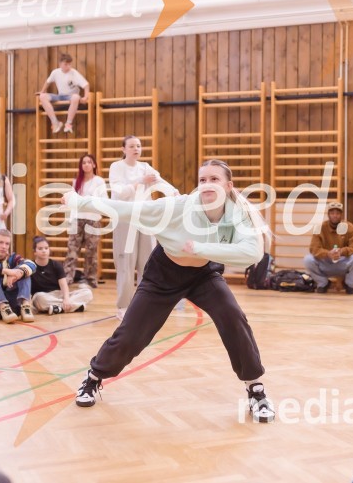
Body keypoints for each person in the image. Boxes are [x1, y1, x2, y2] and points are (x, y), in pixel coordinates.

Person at [64, 159, 275, 423]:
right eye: (202, 180)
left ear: (228, 185)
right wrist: (78, 202)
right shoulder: (176, 208)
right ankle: (94, 377)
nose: (207, 184)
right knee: (132, 333)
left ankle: (255, 389)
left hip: (203, 274)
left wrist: (200, 250)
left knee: (233, 317)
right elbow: (125, 209)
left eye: (214, 179)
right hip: (164, 273)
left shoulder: (237, 214)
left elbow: (251, 253)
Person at [109, 135, 178, 320]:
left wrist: (174, 192)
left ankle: (142, 305)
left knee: (147, 264)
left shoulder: (145, 167)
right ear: (124, 149)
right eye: (131, 146)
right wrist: (140, 181)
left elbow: (160, 182)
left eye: (138, 146)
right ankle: (123, 306)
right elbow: (120, 193)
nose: (136, 149)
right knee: (126, 263)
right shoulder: (117, 167)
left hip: (145, 218)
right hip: (125, 218)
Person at [303, 201, 353, 294]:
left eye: (337, 213)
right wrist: (327, 254)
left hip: (342, 261)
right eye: (332, 213)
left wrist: (341, 251)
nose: (335, 216)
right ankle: (323, 283)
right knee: (307, 259)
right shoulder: (320, 228)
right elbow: (313, 249)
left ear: (341, 215)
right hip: (326, 261)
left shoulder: (349, 227)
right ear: (328, 215)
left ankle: (349, 284)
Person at [64, 153, 106, 287]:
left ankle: (90, 278)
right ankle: (68, 277)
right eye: (84, 162)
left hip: (93, 219)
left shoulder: (99, 181)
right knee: (72, 250)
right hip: (77, 219)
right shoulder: (77, 181)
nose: (86, 165)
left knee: (91, 251)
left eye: (89, 162)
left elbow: (103, 199)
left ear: (94, 165)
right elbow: (71, 201)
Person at [31, 236, 91, 315]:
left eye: (46, 248)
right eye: (40, 248)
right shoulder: (31, 266)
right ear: (34, 251)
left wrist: (66, 299)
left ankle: (58, 308)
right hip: (44, 296)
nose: (44, 251)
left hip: (59, 295)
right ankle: (76, 306)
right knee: (38, 298)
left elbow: (64, 285)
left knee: (87, 293)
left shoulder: (56, 265)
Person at [38, 53, 90, 134]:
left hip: (71, 96)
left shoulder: (74, 73)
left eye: (69, 64)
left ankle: (68, 124)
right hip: (60, 96)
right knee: (42, 97)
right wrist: (42, 91)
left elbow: (86, 85)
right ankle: (55, 122)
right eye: (66, 64)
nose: (68, 66)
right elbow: (48, 82)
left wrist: (86, 97)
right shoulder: (55, 72)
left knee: (76, 97)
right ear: (60, 64)